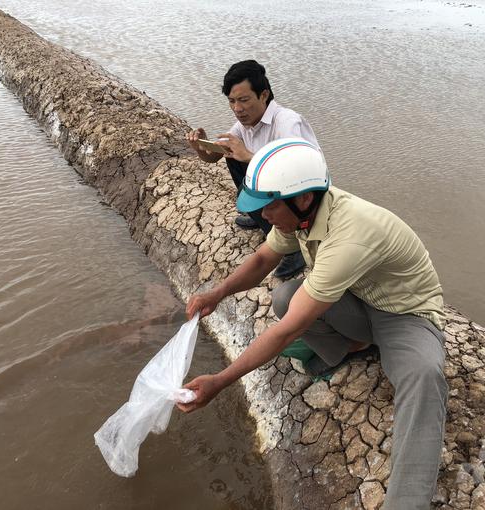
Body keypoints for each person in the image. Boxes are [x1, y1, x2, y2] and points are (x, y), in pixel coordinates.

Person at [177, 138, 449, 509]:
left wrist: (219, 382)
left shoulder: (349, 232)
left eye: (269, 207)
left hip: (406, 314)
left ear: (303, 199)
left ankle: (407, 503)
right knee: (285, 296)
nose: (264, 216)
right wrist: (216, 294)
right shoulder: (299, 212)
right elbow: (261, 261)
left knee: (424, 375)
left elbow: (288, 329)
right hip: (361, 300)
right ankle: (357, 347)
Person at [185, 60, 321, 278]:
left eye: (244, 100)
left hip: (304, 195)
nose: (237, 109)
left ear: (264, 95)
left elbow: (296, 169)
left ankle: (294, 245)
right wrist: (200, 145)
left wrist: (248, 156)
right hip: (279, 189)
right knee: (231, 151)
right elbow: (212, 158)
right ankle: (263, 219)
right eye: (231, 101)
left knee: (244, 169)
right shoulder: (243, 125)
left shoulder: (286, 121)